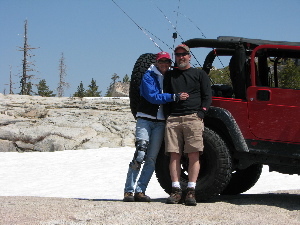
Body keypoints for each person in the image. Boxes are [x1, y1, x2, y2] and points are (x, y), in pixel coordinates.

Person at [123, 51, 189, 202]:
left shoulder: (169, 76)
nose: (165, 64)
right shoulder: (148, 76)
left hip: (160, 122)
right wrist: (174, 97)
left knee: (152, 158)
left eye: (167, 62)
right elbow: (153, 97)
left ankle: (140, 190)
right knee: (140, 154)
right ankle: (128, 190)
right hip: (145, 119)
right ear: (157, 62)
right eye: (162, 61)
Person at [164, 44, 212, 206]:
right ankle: (176, 190)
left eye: (184, 54)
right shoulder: (169, 76)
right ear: (175, 57)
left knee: (194, 154)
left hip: (193, 118)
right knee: (174, 154)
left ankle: (191, 191)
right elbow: (164, 96)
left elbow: (207, 96)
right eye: (178, 55)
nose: (181, 57)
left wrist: (201, 113)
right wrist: (167, 115)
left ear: (189, 56)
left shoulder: (199, 74)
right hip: (173, 119)